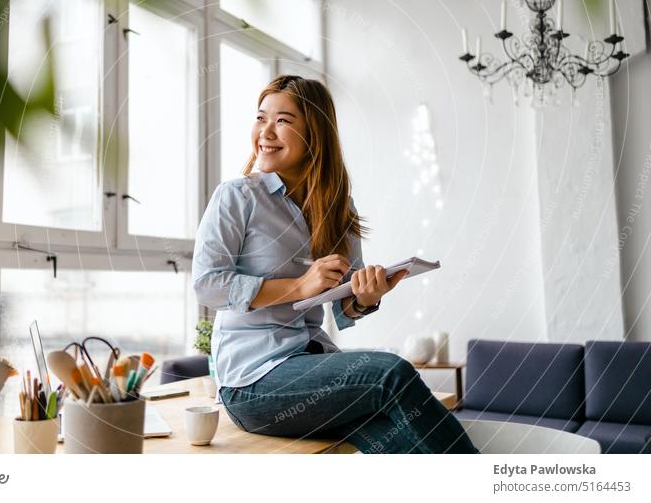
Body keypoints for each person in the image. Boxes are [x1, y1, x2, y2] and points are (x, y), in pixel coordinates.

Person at [191, 75, 478, 454]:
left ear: (315, 133)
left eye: (283, 121)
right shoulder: (238, 197)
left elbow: (344, 308)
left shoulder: (338, 209)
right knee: (391, 373)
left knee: (399, 443)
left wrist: (365, 295)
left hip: (311, 366)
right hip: (252, 383)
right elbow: (208, 284)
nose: (266, 131)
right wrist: (300, 286)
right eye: (261, 118)